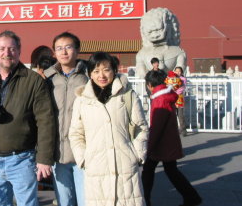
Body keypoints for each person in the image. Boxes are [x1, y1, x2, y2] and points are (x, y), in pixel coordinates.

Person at [0, 30, 55, 206]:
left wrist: (44, 158)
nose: (7, 53)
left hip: (22, 159)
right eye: (2, 48)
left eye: (12, 49)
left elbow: (46, 120)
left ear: (19, 51)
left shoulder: (33, 81)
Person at [69, 51, 148, 206]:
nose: (102, 75)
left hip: (125, 165)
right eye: (96, 71)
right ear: (90, 74)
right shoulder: (82, 100)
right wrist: (83, 159)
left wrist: (137, 155)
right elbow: (76, 134)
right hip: (95, 167)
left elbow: (141, 127)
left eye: (106, 70)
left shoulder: (127, 96)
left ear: (114, 71)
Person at [142, 70, 202, 206]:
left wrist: (149, 146)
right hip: (168, 140)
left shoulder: (159, 100)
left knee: (149, 170)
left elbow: (157, 126)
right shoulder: (166, 95)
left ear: (150, 84)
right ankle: (192, 197)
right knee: (170, 170)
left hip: (161, 143)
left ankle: (145, 200)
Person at [44, 32, 88, 206]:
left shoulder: (89, 76)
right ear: (54, 53)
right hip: (58, 152)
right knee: (65, 201)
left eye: (68, 47)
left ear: (77, 50)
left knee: (86, 200)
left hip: (83, 152)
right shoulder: (47, 79)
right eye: (59, 49)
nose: (64, 52)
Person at [174, 66, 188, 136]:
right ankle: (174, 129)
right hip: (173, 97)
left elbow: (182, 87)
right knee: (173, 114)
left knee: (180, 114)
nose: (178, 72)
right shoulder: (172, 79)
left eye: (179, 71)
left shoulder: (183, 79)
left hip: (179, 97)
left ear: (181, 72)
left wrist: (176, 90)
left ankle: (183, 129)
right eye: (176, 71)